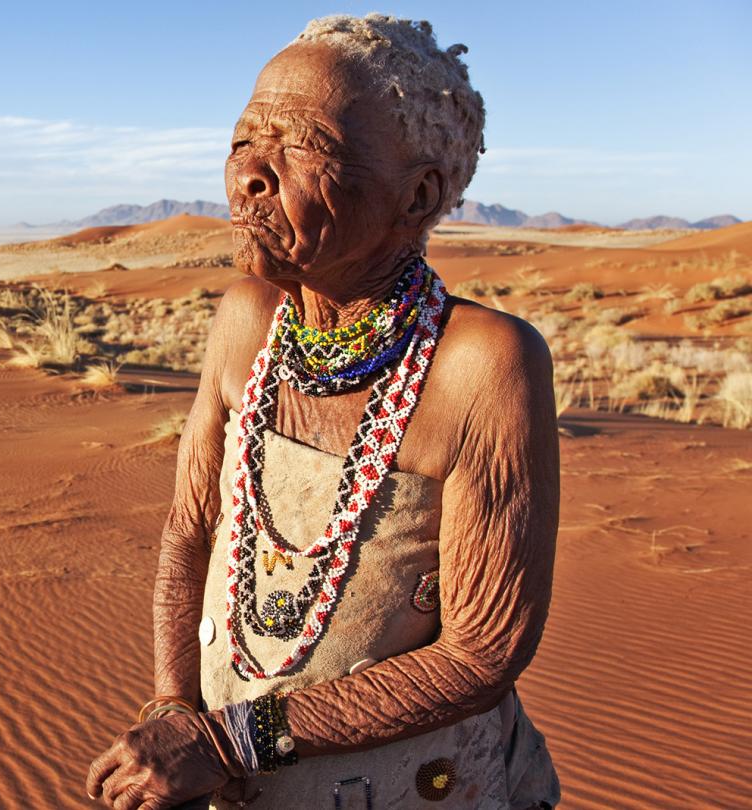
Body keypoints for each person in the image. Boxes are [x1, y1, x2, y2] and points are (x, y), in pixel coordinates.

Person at [86, 14, 561, 809]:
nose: (249, 175)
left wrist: (234, 740)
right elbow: (189, 529)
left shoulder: (484, 364)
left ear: (417, 196)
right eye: (244, 142)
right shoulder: (246, 321)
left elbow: (481, 653)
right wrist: (172, 706)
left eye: (305, 145)